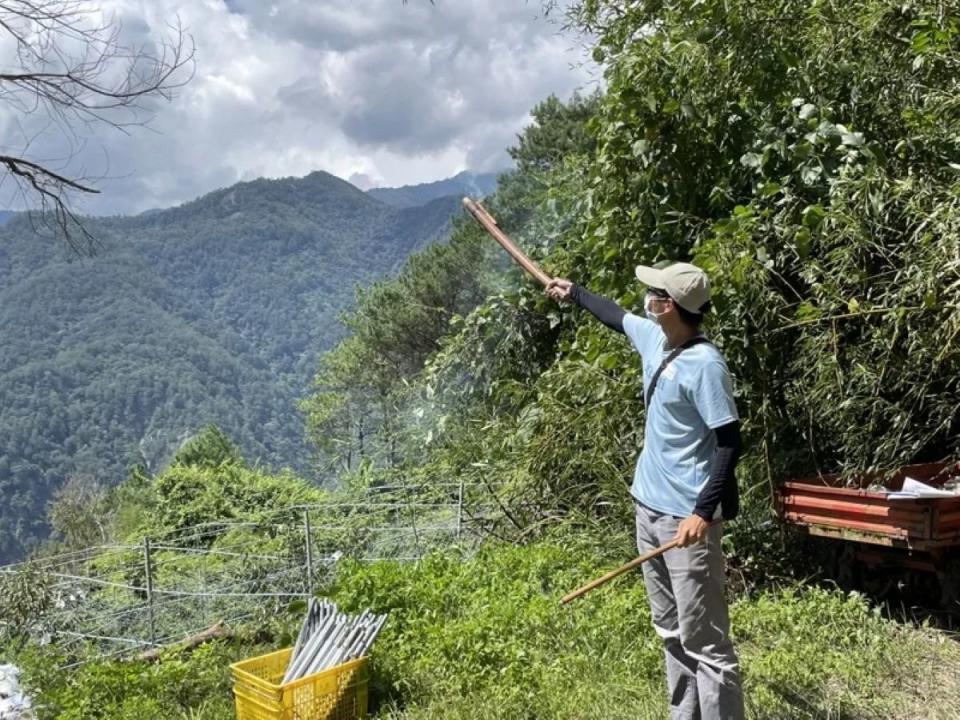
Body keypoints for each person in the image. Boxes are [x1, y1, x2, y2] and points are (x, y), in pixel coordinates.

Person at [546, 262, 745, 720]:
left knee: (707, 643)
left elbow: (730, 443)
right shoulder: (655, 338)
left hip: (685, 523)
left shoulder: (706, 367)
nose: (646, 298)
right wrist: (572, 290)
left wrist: (701, 512)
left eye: (653, 292)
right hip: (647, 510)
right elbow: (614, 315)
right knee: (670, 629)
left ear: (668, 305)